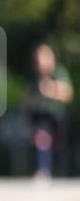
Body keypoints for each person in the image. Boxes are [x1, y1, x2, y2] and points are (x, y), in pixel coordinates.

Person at [24, 42, 74, 179]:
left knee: (59, 146)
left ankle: (59, 171)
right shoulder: (34, 76)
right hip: (40, 117)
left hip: (57, 117)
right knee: (42, 139)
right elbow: (27, 96)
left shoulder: (58, 72)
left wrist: (51, 89)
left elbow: (68, 93)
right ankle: (43, 169)